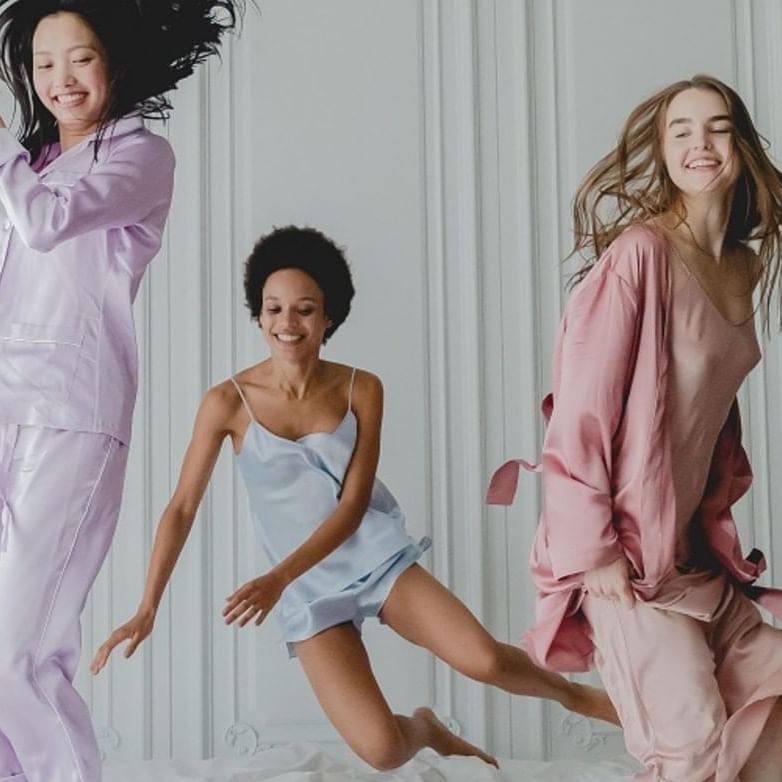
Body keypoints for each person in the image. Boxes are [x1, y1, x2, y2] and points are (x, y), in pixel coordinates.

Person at [92, 225, 618, 772]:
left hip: (372, 557)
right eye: (273, 309)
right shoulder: (227, 402)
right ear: (259, 313)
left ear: (328, 317)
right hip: (307, 591)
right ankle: (426, 728)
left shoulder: (361, 388)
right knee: (383, 751)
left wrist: (276, 579)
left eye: (304, 310)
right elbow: (181, 507)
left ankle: (583, 699)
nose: (286, 323)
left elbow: (351, 508)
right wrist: (147, 606)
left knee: (484, 659)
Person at [488, 74, 782, 781]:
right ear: (662, 151)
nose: (700, 144)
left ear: (741, 146)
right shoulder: (640, 254)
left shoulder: (742, 266)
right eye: (681, 131)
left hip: (695, 556)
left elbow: (710, 413)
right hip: (623, 555)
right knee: (689, 748)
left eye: (717, 128)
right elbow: (580, 415)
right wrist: (594, 551)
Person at [0, 1, 242, 780]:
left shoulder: (139, 156)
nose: (61, 79)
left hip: (71, 414)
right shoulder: (31, 164)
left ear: (114, 62)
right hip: (6, 402)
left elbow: (49, 225)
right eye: (44, 63)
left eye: (80, 57)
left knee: (20, 649)